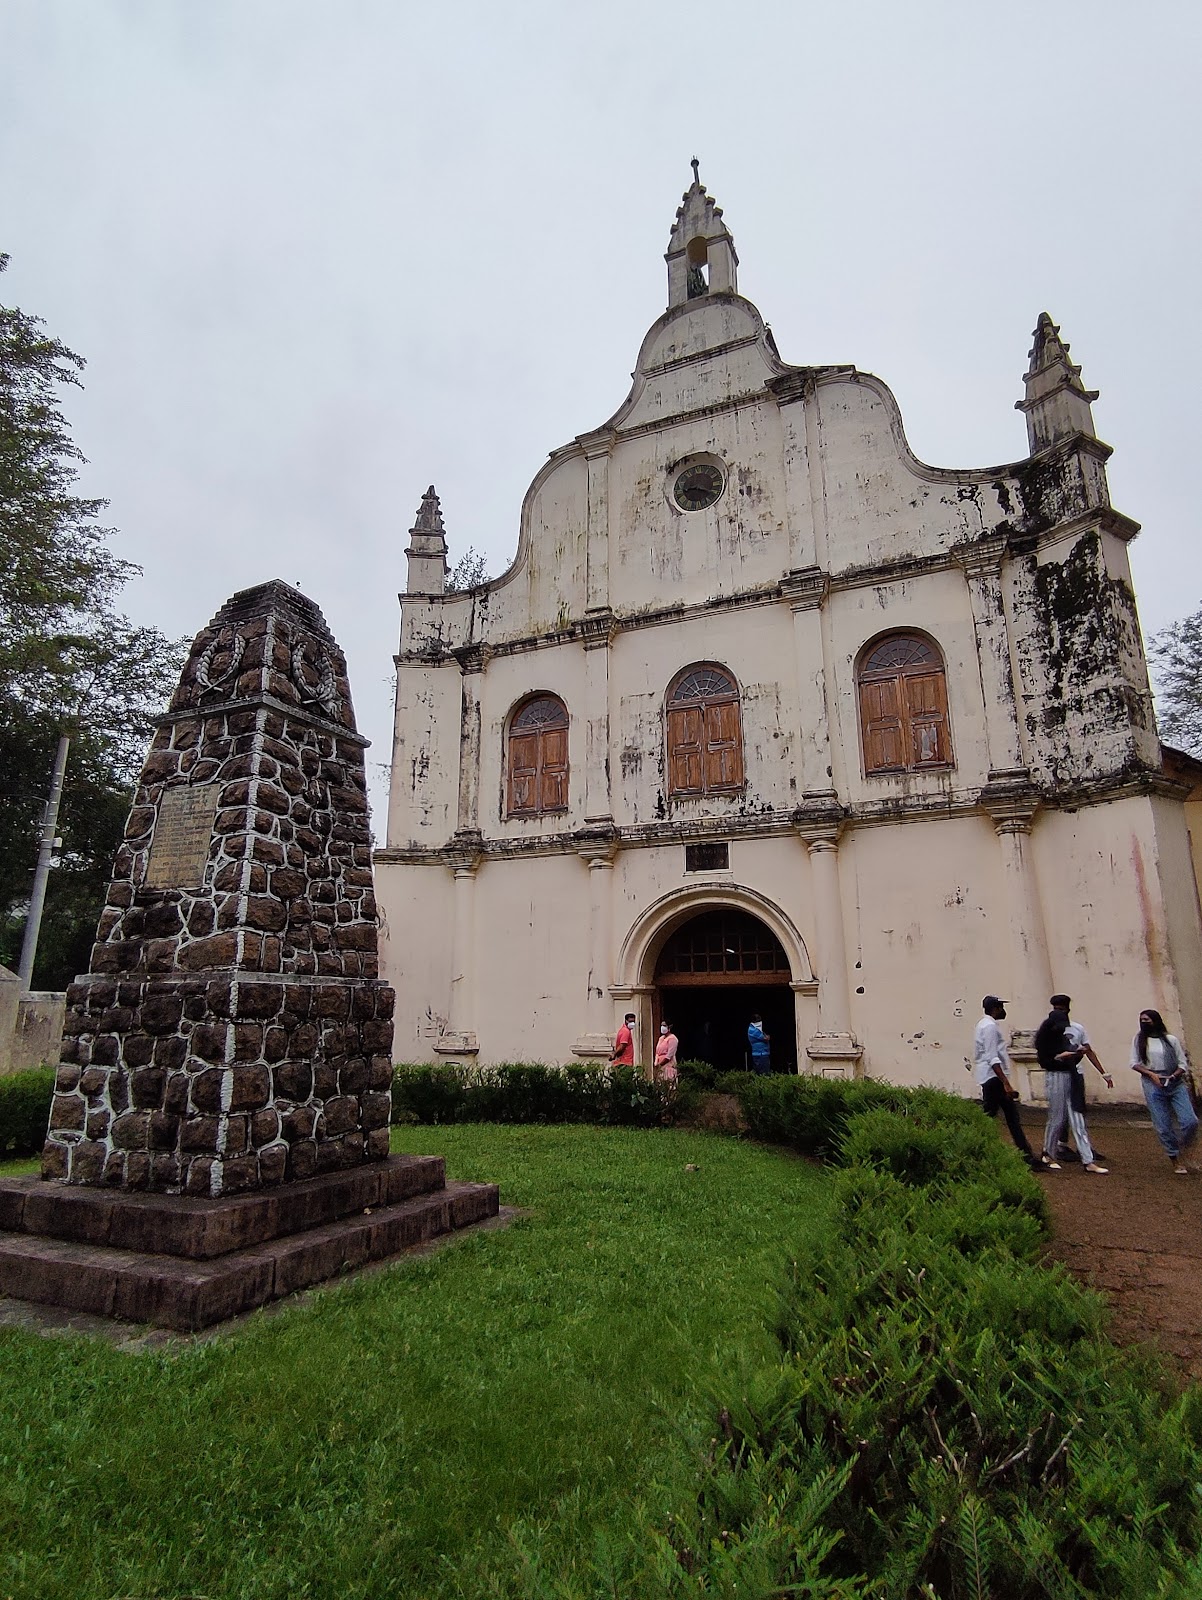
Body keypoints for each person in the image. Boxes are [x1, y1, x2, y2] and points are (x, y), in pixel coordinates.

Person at [1034, 1003, 1108, 1172]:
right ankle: (1048, 1153)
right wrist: (1060, 1057)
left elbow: (1076, 1057)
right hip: (1056, 1076)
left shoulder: (1065, 1036)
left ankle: (1088, 1160)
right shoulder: (1045, 1040)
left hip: (1071, 1075)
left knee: (1078, 1118)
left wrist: (1075, 1054)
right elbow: (1045, 1062)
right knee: (1057, 1117)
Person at [1130, 1008, 1198, 1174]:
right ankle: (1174, 1157)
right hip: (1152, 1083)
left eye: (1148, 1019)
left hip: (1175, 1083)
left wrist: (1174, 1076)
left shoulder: (1170, 1040)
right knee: (1163, 1125)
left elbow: (1182, 1064)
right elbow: (1134, 1062)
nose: (1145, 1023)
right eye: (1142, 1020)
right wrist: (1151, 1075)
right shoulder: (1139, 1040)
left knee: (1190, 1121)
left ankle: (1184, 1146)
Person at [973, 996, 1038, 1167]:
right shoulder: (990, 1028)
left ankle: (1026, 1154)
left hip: (991, 1077)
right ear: (995, 1009)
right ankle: (1025, 1155)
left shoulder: (985, 1025)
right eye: (1001, 1007)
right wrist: (1005, 1082)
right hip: (993, 1078)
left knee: (1004, 1116)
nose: (1003, 1010)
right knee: (997, 1116)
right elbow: (992, 1057)